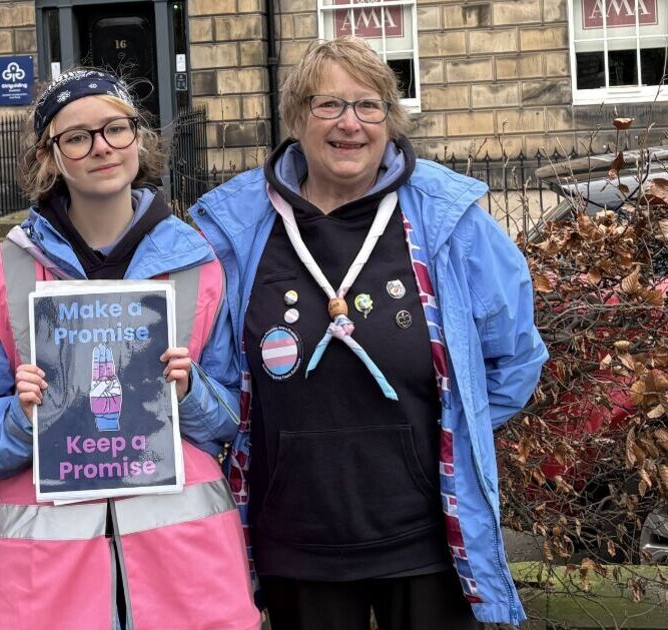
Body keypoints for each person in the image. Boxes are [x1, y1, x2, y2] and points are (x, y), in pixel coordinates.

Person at [190, 37, 548, 630]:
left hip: (428, 539)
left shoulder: (449, 220)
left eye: (369, 105)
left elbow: (513, 361)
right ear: (297, 119)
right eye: (327, 105)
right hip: (298, 545)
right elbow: (221, 384)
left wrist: (447, 430)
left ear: (391, 118)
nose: (350, 124)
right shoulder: (236, 228)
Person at [0, 69, 260, 629]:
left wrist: (191, 393)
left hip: (181, 567)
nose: (101, 147)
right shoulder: (3, 270)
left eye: (116, 129)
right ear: (49, 156)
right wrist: (19, 418)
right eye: (77, 137)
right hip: (46, 577)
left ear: (140, 138)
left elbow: (234, 414)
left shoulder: (198, 264)